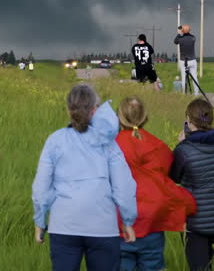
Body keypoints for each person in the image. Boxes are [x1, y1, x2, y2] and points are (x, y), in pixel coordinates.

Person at [31, 84, 137, 271]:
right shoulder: (108, 143)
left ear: (68, 110)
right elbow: (124, 187)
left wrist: (40, 220)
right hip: (103, 227)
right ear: (94, 110)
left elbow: (41, 187)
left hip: (63, 226)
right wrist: (128, 221)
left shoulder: (55, 141)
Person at [114, 97, 196, 271]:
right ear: (145, 118)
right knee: (152, 264)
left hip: (119, 221)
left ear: (119, 118)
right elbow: (168, 171)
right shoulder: (158, 146)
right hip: (152, 219)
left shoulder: (110, 146)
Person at [170, 98, 214, 271]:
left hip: (197, 221)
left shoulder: (185, 150)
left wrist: (182, 143)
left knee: (199, 267)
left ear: (189, 121)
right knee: (208, 263)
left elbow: (173, 176)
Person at [175, 25, 198, 94]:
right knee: (195, 78)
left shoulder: (181, 39)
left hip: (183, 61)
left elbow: (175, 41)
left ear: (182, 31)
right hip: (192, 60)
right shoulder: (193, 38)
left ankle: (184, 94)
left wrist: (179, 33)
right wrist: (185, 31)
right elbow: (190, 34)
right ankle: (196, 94)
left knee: (183, 78)